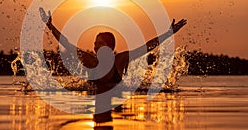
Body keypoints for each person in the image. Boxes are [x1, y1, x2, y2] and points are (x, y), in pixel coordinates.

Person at [39, 7, 187, 124]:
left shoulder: (120, 60)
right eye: (95, 44)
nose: (96, 47)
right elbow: (67, 44)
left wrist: (169, 33)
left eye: (100, 44)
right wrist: (50, 26)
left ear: (109, 47)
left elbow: (146, 47)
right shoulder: (90, 60)